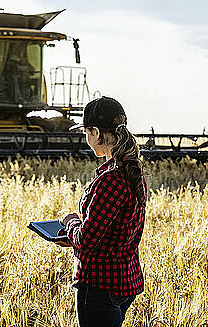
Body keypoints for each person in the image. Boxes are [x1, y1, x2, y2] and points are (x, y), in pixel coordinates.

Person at [59, 96, 147, 327]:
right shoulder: (133, 173)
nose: (87, 137)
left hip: (99, 283)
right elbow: (118, 233)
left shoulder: (110, 180)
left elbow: (87, 241)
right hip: (125, 280)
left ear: (96, 133)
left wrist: (71, 224)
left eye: (87, 132)